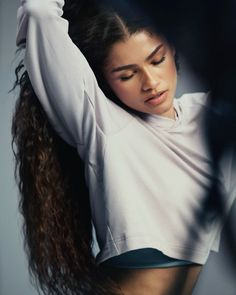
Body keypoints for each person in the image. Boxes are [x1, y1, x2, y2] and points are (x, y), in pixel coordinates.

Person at [13, 0, 236, 294]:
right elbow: (39, 10)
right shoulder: (102, 124)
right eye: (127, 75)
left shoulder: (209, 116)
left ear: (173, 49)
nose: (151, 83)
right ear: (105, 81)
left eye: (156, 60)